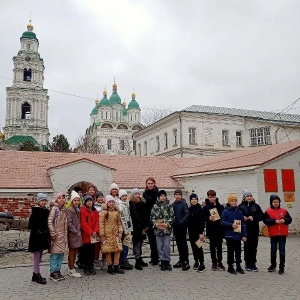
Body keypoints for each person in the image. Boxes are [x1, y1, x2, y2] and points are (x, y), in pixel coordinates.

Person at [263, 194, 292, 275]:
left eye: (277, 202)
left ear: (279, 202)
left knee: (282, 250)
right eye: (274, 202)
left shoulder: (284, 211)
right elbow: (265, 221)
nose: (276, 203)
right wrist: (274, 221)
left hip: (282, 233)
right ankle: (273, 265)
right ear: (271, 203)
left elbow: (290, 219)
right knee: (273, 250)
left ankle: (282, 267)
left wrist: (284, 220)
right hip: (273, 234)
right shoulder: (268, 211)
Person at [238, 189, 264, 271]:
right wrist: (243, 218)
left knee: (254, 247)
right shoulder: (240, 207)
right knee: (247, 246)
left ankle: (253, 263)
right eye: (247, 196)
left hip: (254, 229)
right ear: (244, 198)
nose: (249, 197)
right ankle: (247, 263)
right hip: (245, 229)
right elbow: (236, 216)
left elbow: (262, 216)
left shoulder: (256, 206)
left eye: (250, 196)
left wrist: (254, 218)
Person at [221, 194, 247, 275]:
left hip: (238, 235)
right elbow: (222, 222)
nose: (234, 202)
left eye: (235, 201)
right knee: (230, 251)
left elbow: (243, 224)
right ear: (229, 202)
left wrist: (244, 235)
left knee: (238, 251)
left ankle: (238, 266)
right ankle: (230, 267)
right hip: (229, 235)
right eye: (232, 201)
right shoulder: (225, 211)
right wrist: (231, 225)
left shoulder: (239, 212)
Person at [28, 193, 50, 284]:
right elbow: (31, 225)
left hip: (42, 236)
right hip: (36, 237)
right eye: (42, 200)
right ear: (38, 201)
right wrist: (39, 230)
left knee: (40, 256)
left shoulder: (45, 210)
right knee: (37, 257)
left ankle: (34, 274)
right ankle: (37, 274)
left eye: (45, 200)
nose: (44, 202)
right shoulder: (36, 211)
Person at [99, 195, 124, 275]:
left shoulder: (117, 212)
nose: (111, 203)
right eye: (110, 202)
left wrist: (120, 232)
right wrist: (102, 234)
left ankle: (116, 266)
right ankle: (109, 266)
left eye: (113, 202)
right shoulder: (104, 213)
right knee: (108, 251)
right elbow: (101, 224)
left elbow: (119, 223)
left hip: (116, 234)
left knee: (117, 250)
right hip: (107, 234)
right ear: (107, 203)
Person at [150, 190, 174, 271]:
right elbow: (152, 217)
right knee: (159, 246)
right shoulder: (155, 206)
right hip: (158, 230)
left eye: (164, 195)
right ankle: (162, 261)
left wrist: (167, 224)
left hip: (166, 230)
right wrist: (155, 224)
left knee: (167, 246)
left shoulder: (169, 205)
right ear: (158, 197)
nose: (162, 197)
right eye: (161, 196)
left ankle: (167, 261)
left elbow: (172, 216)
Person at [203, 189, 225, 271]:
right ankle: (214, 262)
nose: (212, 198)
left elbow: (223, 216)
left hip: (219, 229)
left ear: (216, 197)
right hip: (211, 229)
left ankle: (220, 261)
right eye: (210, 197)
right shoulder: (206, 207)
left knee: (219, 246)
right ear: (208, 197)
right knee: (212, 246)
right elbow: (203, 217)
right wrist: (208, 218)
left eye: (213, 197)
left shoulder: (220, 207)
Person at [48, 193, 68, 281]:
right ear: (56, 199)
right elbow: (50, 221)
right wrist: (53, 233)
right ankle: (53, 272)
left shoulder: (64, 209)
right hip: (56, 235)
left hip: (63, 235)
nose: (61, 200)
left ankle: (58, 270)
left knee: (61, 253)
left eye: (63, 198)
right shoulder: (54, 209)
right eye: (59, 198)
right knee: (55, 254)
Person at [129, 188, 149, 270]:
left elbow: (144, 214)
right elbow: (135, 215)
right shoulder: (132, 203)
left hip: (142, 226)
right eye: (135, 194)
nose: (137, 195)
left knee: (141, 243)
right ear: (133, 195)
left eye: (138, 194)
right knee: (137, 243)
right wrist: (141, 224)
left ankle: (140, 259)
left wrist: (145, 225)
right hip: (136, 227)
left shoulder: (142, 203)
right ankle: (137, 260)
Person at [80, 194, 99, 276]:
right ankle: (86, 268)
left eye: (90, 201)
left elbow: (97, 222)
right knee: (86, 252)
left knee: (92, 252)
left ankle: (91, 267)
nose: (89, 202)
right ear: (85, 202)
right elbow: (83, 223)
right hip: (86, 235)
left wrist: (95, 231)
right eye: (87, 201)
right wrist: (91, 232)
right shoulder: (83, 210)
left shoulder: (95, 211)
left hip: (93, 236)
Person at [172, 189, 190, 271]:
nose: (177, 196)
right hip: (175, 227)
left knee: (183, 244)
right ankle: (181, 259)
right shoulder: (173, 204)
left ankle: (186, 261)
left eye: (179, 194)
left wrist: (181, 222)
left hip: (182, 227)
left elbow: (187, 214)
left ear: (181, 195)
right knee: (178, 244)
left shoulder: (184, 204)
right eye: (176, 194)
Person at [143, 177, 159, 265]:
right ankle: (154, 258)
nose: (150, 185)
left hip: (157, 219)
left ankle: (159, 257)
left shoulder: (158, 193)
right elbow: (145, 209)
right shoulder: (145, 194)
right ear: (146, 184)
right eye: (148, 183)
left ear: (154, 184)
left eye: (151, 183)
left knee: (158, 240)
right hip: (149, 219)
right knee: (152, 240)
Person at [187, 193, 205, 273]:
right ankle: (196, 261)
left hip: (198, 232)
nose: (194, 200)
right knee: (194, 248)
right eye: (192, 199)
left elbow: (202, 222)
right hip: (191, 232)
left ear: (197, 200)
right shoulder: (189, 209)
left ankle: (202, 264)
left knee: (199, 248)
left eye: (195, 199)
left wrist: (201, 233)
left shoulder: (200, 209)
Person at [67, 190, 82, 278]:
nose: (77, 202)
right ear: (72, 201)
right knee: (72, 252)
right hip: (73, 234)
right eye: (75, 200)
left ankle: (72, 266)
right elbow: (69, 223)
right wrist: (75, 231)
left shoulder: (77, 209)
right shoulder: (70, 210)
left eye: (78, 200)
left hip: (77, 234)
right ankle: (70, 269)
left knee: (75, 251)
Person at [117, 189, 134, 270]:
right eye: (122, 196)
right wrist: (126, 230)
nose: (124, 197)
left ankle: (124, 259)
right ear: (120, 197)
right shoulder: (120, 206)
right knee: (125, 246)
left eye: (125, 196)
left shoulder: (125, 205)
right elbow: (123, 219)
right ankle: (123, 260)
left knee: (126, 245)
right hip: (124, 230)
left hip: (127, 228)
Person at [94, 191, 106, 270]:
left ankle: (104, 261)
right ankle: (96, 261)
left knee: (104, 245)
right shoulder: (94, 206)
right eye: (99, 197)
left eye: (101, 197)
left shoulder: (105, 206)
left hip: (105, 228)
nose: (100, 198)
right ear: (96, 198)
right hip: (97, 228)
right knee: (97, 246)